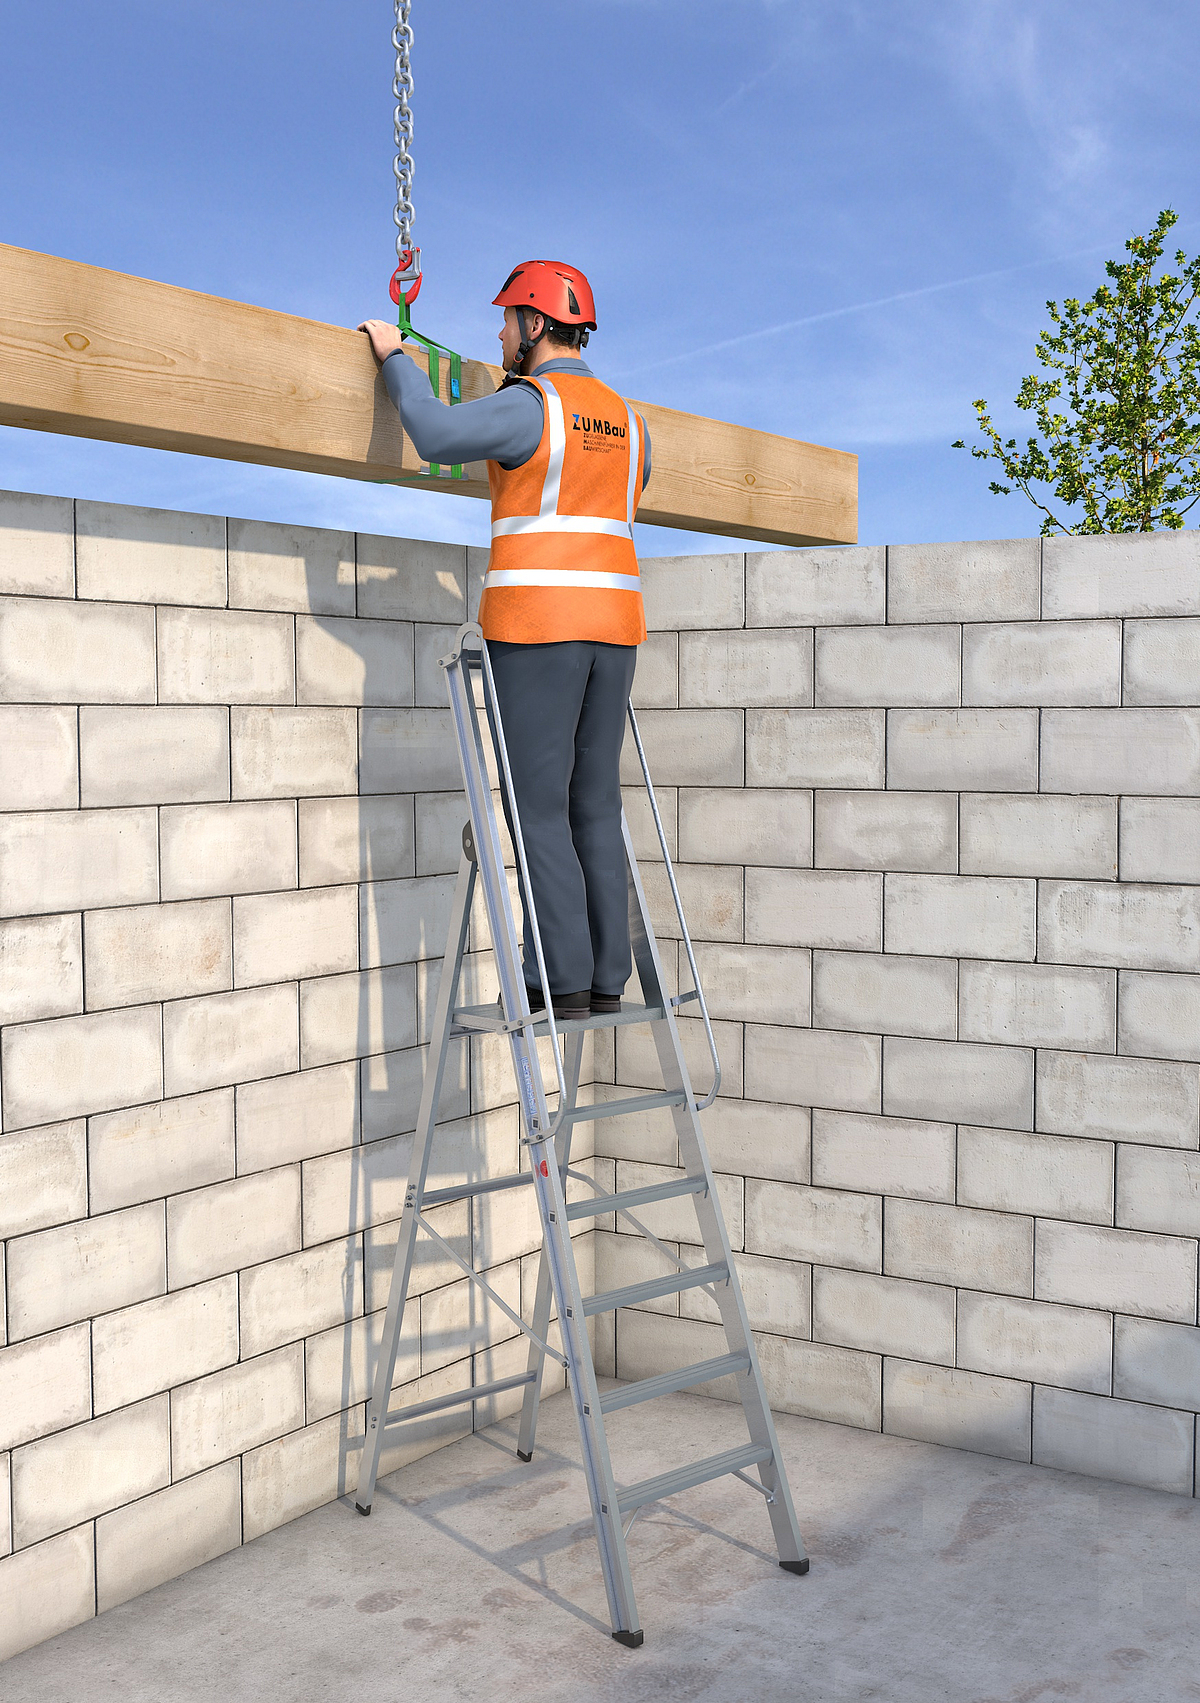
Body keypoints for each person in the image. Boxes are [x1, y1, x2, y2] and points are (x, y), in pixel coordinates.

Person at [359, 261, 651, 1021]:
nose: (498, 333)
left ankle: (557, 980)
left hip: (539, 630)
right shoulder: (629, 420)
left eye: (507, 320)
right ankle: (605, 976)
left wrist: (396, 357)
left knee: (535, 809)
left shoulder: (531, 407)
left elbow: (433, 431)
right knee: (594, 803)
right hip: (615, 633)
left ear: (535, 325)